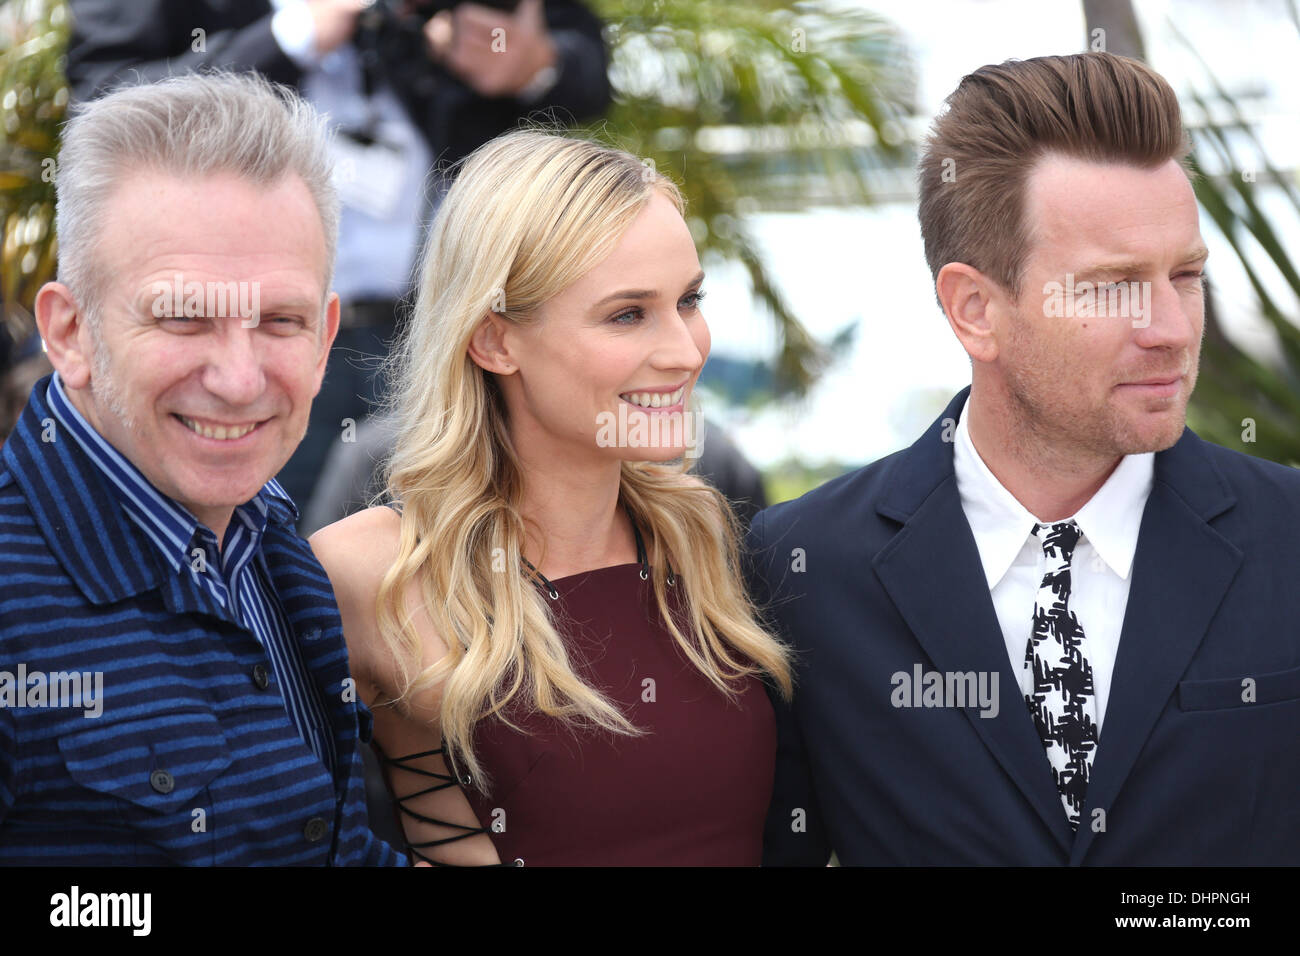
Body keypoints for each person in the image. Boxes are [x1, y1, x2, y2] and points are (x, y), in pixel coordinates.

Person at [751, 51, 1300, 865]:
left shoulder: (1288, 535)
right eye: (1112, 286)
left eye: (1185, 275)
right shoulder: (803, 566)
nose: (1175, 329)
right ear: (975, 310)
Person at [310, 129, 792, 866]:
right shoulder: (370, 570)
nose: (686, 350)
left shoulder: (702, 534)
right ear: (494, 340)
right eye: (628, 314)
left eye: (688, 300)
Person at [0, 72, 404, 865]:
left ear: (325, 339)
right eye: (184, 317)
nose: (240, 378)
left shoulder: (273, 539)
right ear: (70, 332)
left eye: (279, 321)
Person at [64, 0, 612, 511]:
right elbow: (104, 99)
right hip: (236, 335)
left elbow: (584, 59)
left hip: (429, 338)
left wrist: (532, 61)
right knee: (242, 547)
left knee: (432, 554)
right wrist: (291, 36)